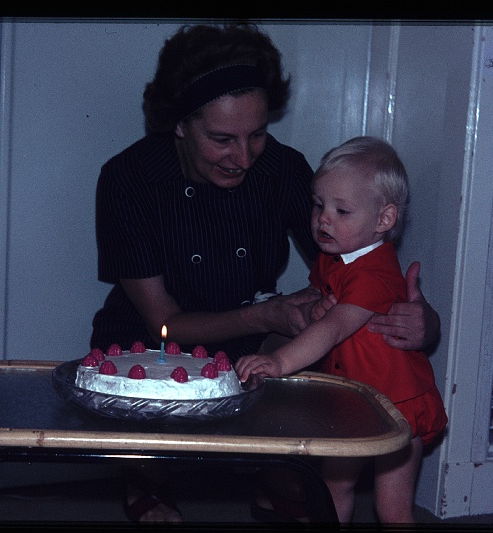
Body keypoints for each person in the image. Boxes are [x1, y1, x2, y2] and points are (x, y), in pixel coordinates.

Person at [90, 23, 441, 523]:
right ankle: (147, 480)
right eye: (222, 139)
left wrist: (422, 320)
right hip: (154, 339)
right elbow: (164, 322)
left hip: (257, 335)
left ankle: (276, 477)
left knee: (329, 346)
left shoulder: (282, 170)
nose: (243, 156)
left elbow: (363, 256)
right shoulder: (129, 179)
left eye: (256, 135)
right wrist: (269, 314)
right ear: (181, 125)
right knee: (146, 383)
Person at [235, 136, 448, 524]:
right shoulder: (334, 255)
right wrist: (317, 305)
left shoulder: (376, 273)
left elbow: (333, 329)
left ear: (383, 219)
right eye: (319, 205)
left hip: (395, 405)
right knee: (332, 492)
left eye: (342, 210)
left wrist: (279, 361)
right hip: (351, 401)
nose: (323, 219)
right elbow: (322, 297)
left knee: (393, 508)